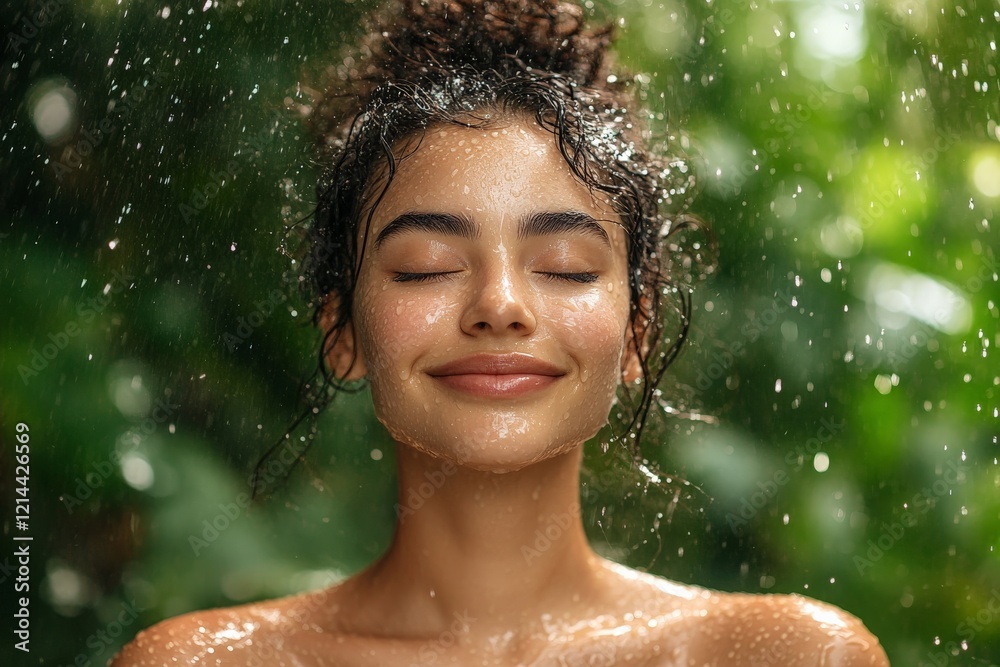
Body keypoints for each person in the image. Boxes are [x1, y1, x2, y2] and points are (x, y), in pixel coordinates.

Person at [113, 0, 890, 664]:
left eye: (563, 266)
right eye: (424, 266)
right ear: (342, 326)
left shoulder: (789, 656)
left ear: (637, 332)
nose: (500, 304)